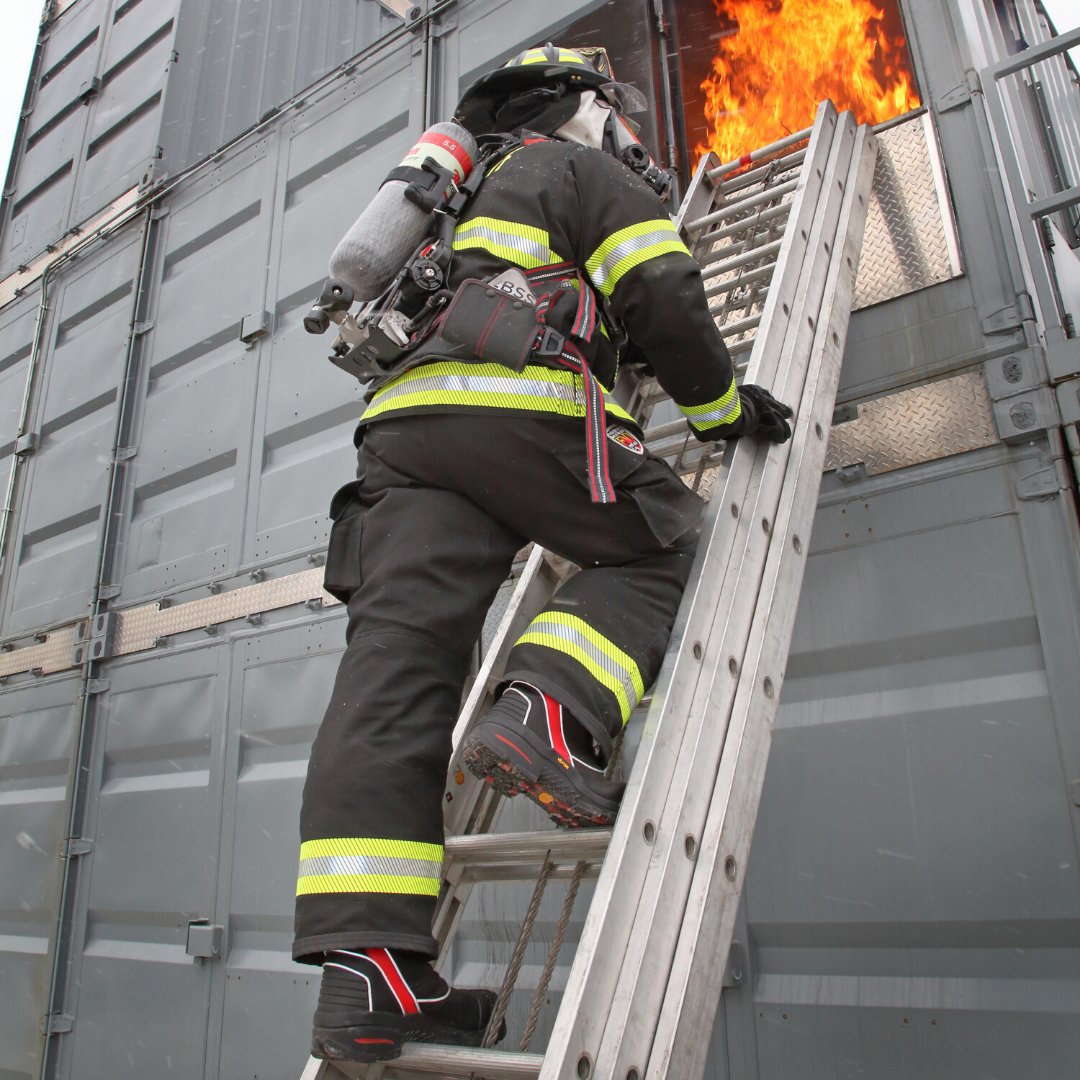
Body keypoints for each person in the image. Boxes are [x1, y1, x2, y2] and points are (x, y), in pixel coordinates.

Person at [296, 44, 793, 1064]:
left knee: (395, 673)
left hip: (400, 440)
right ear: (578, 108)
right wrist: (719, 409)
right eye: (620, 114)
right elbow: (658, 286)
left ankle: (372, 976)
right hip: (519, 401)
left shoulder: (445, 202)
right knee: (664, 545)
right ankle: (548, 716)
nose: (635, 140)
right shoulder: (572, 167)